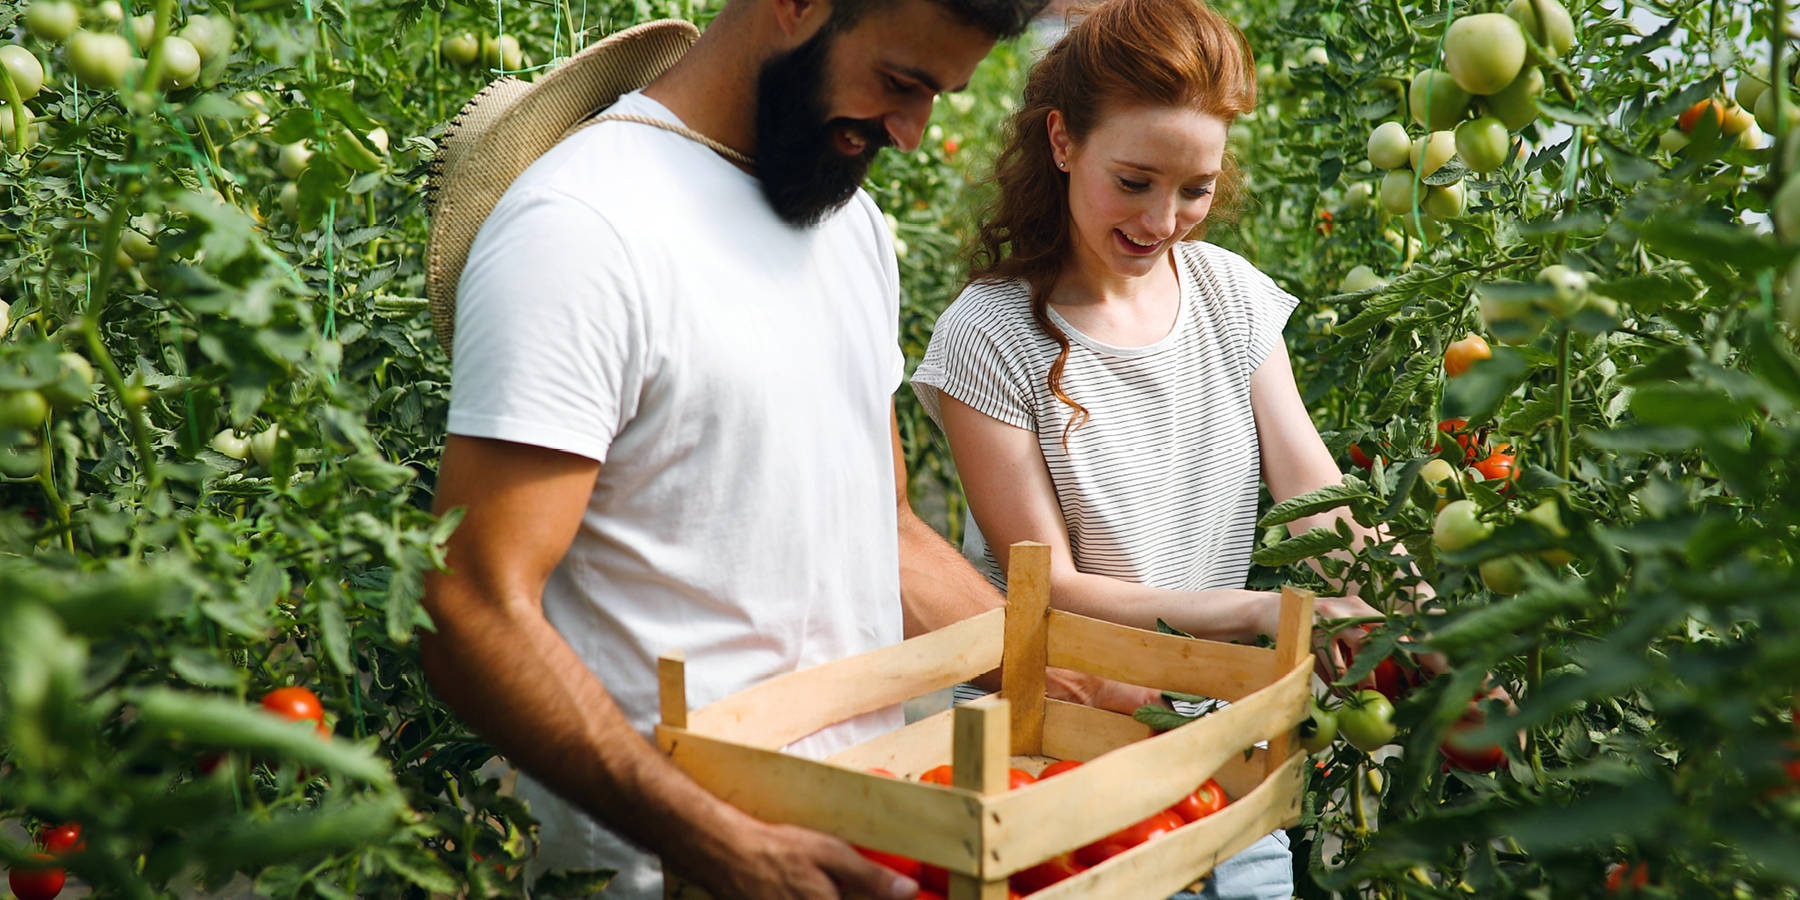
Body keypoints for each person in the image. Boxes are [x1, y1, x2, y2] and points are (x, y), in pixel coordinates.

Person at [416, 0, 1166, 898]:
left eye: (938, 95)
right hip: (664, 867)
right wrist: (720, 842)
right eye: (900, 82)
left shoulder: (850, 230)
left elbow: (880, 527)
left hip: (867, 834)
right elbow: (470, 606)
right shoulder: (584, 226)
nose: (914, 132)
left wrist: (1065, 677)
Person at [909, 0, 1410, 895]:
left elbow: (1318, 496)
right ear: (1062, 142)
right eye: (1134, 180)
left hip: (1216, 745)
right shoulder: (987, 337)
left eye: (1195, 188)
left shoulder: (1230, 297)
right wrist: (1263, 614)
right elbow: (1050, 591)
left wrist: (1415, 610)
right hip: (1054, 754)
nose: (1165, 219)